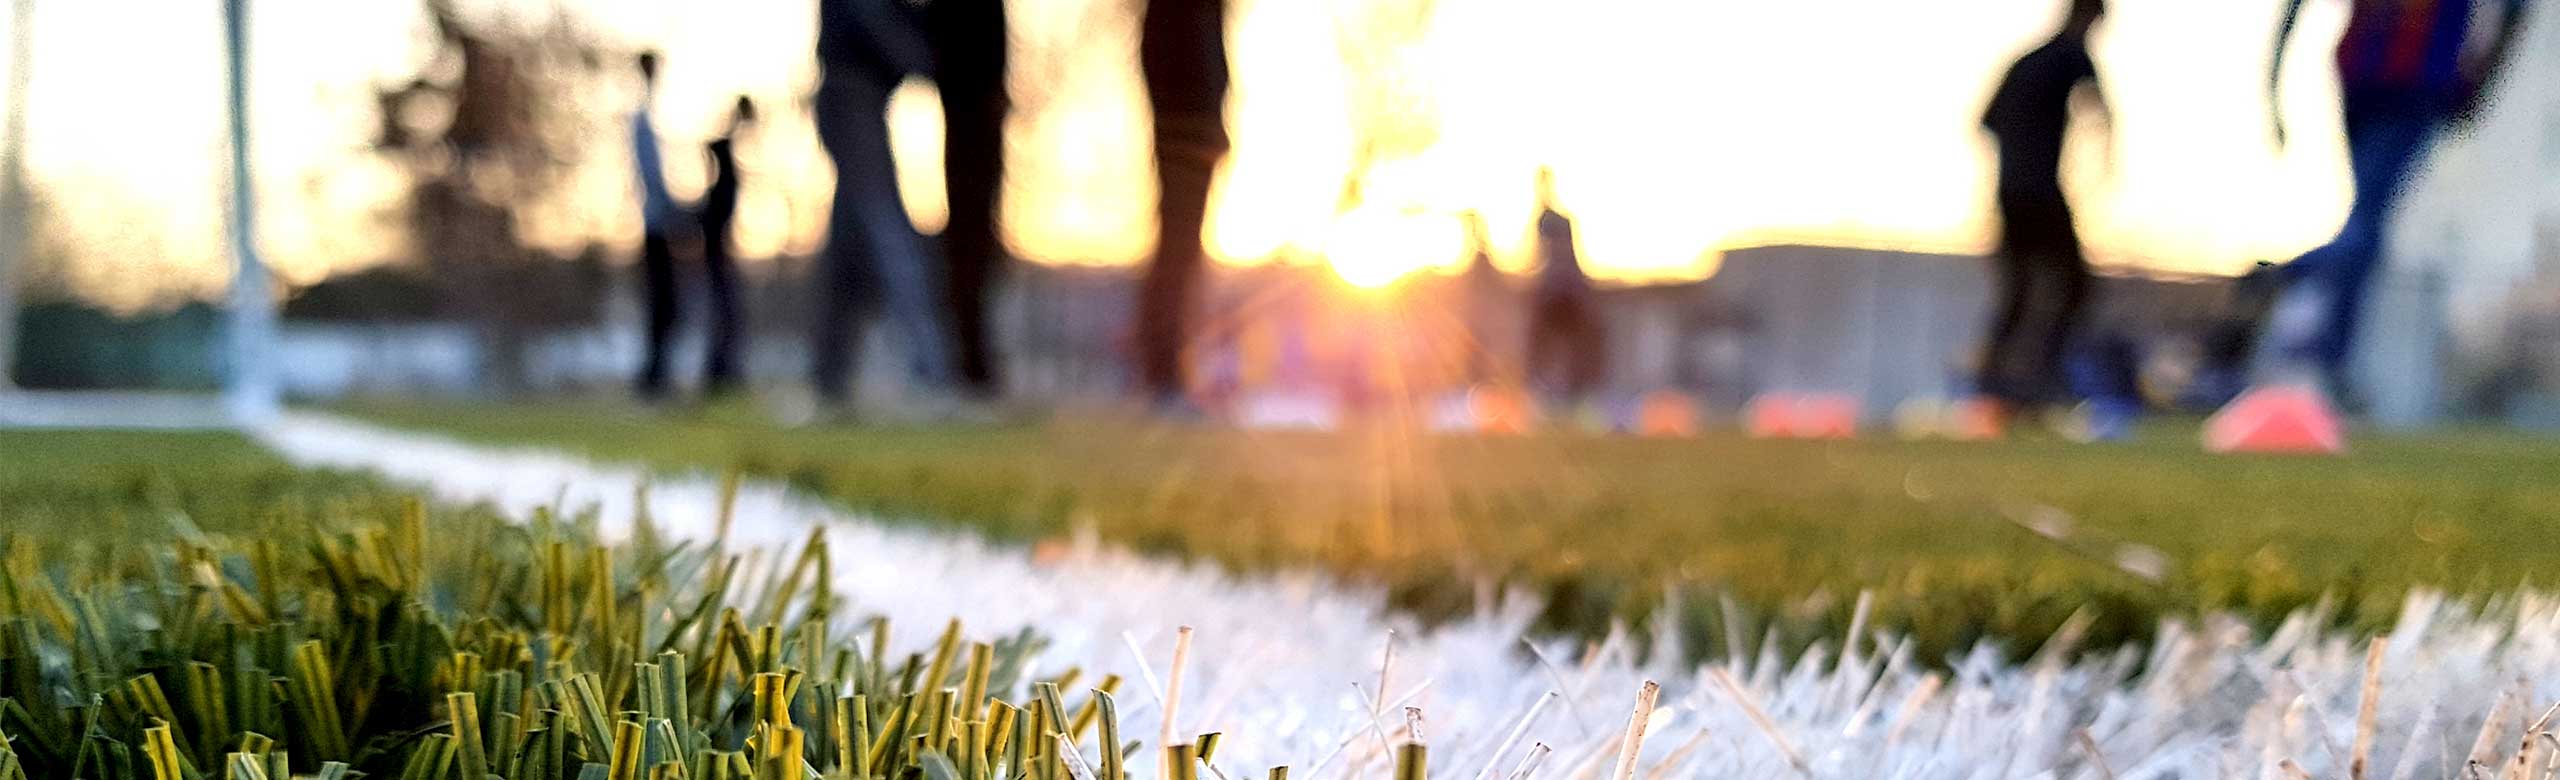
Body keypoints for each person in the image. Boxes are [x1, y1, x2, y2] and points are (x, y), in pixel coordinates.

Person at [2250, 0, 2533, 398]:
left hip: (2362, 73)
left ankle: (2329, 355)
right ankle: (2298, 281)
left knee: (2364, 219)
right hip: (2416, 79)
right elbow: (2515, 11)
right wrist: (2479, 86)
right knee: (2366, 225)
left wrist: (2273, 91)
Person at [810, 0, 955, 410]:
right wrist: (921, 57)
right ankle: (931, 372)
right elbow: (877, 24)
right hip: (850, 97)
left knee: (851, 243)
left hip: (861, 98)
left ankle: (830, 377)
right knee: (889, 232)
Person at [1974, 0, 2110, 418]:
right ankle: (2039, 379)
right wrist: (2105, 162)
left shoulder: (2026, 61)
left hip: (2010, 193)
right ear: (2087, 19)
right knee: (2075, 287)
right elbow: (2103, 112)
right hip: (2040, 192)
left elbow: (1985, 122)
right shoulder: (2071, 54)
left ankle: (1993, 386)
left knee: (2016, 292)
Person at [1133, 0, 1232, 411]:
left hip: (1195, 130)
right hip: (1186, 132)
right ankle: (1163, 373)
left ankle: (1169, 373)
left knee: (1182, 250)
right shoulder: (1176, 18)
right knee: (1177, 247)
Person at [930, 0, 1010, 400]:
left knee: (978, 248)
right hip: (969, 107)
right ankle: (963, 364)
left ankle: (971, 364)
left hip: (979, 106)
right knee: (967, 246)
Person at [630, 51, 684, 401]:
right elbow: (652, 177)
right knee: (663, 306)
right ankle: (653, 379)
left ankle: (657, 375)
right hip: (656, 227)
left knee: (667, 307)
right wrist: (674, 215)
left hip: (659, 225)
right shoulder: (642, 120)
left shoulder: (651, 117)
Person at [1524, 168, 1603, 404]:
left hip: (1562, 294)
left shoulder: (1551, 221)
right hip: (1559, 292)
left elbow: (1542, 257)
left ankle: (1566, 392)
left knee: (1557, 346)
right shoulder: (1549, 220)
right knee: (1549, 347)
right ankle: (1550, 391)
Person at [698, 96, 756, 397]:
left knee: (729, 313)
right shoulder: (724, 151)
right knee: (725, 312)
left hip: (721, 245)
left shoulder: (731, 150)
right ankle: (719, 376)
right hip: (715, 246)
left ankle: (724, 374)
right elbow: (712, 145)